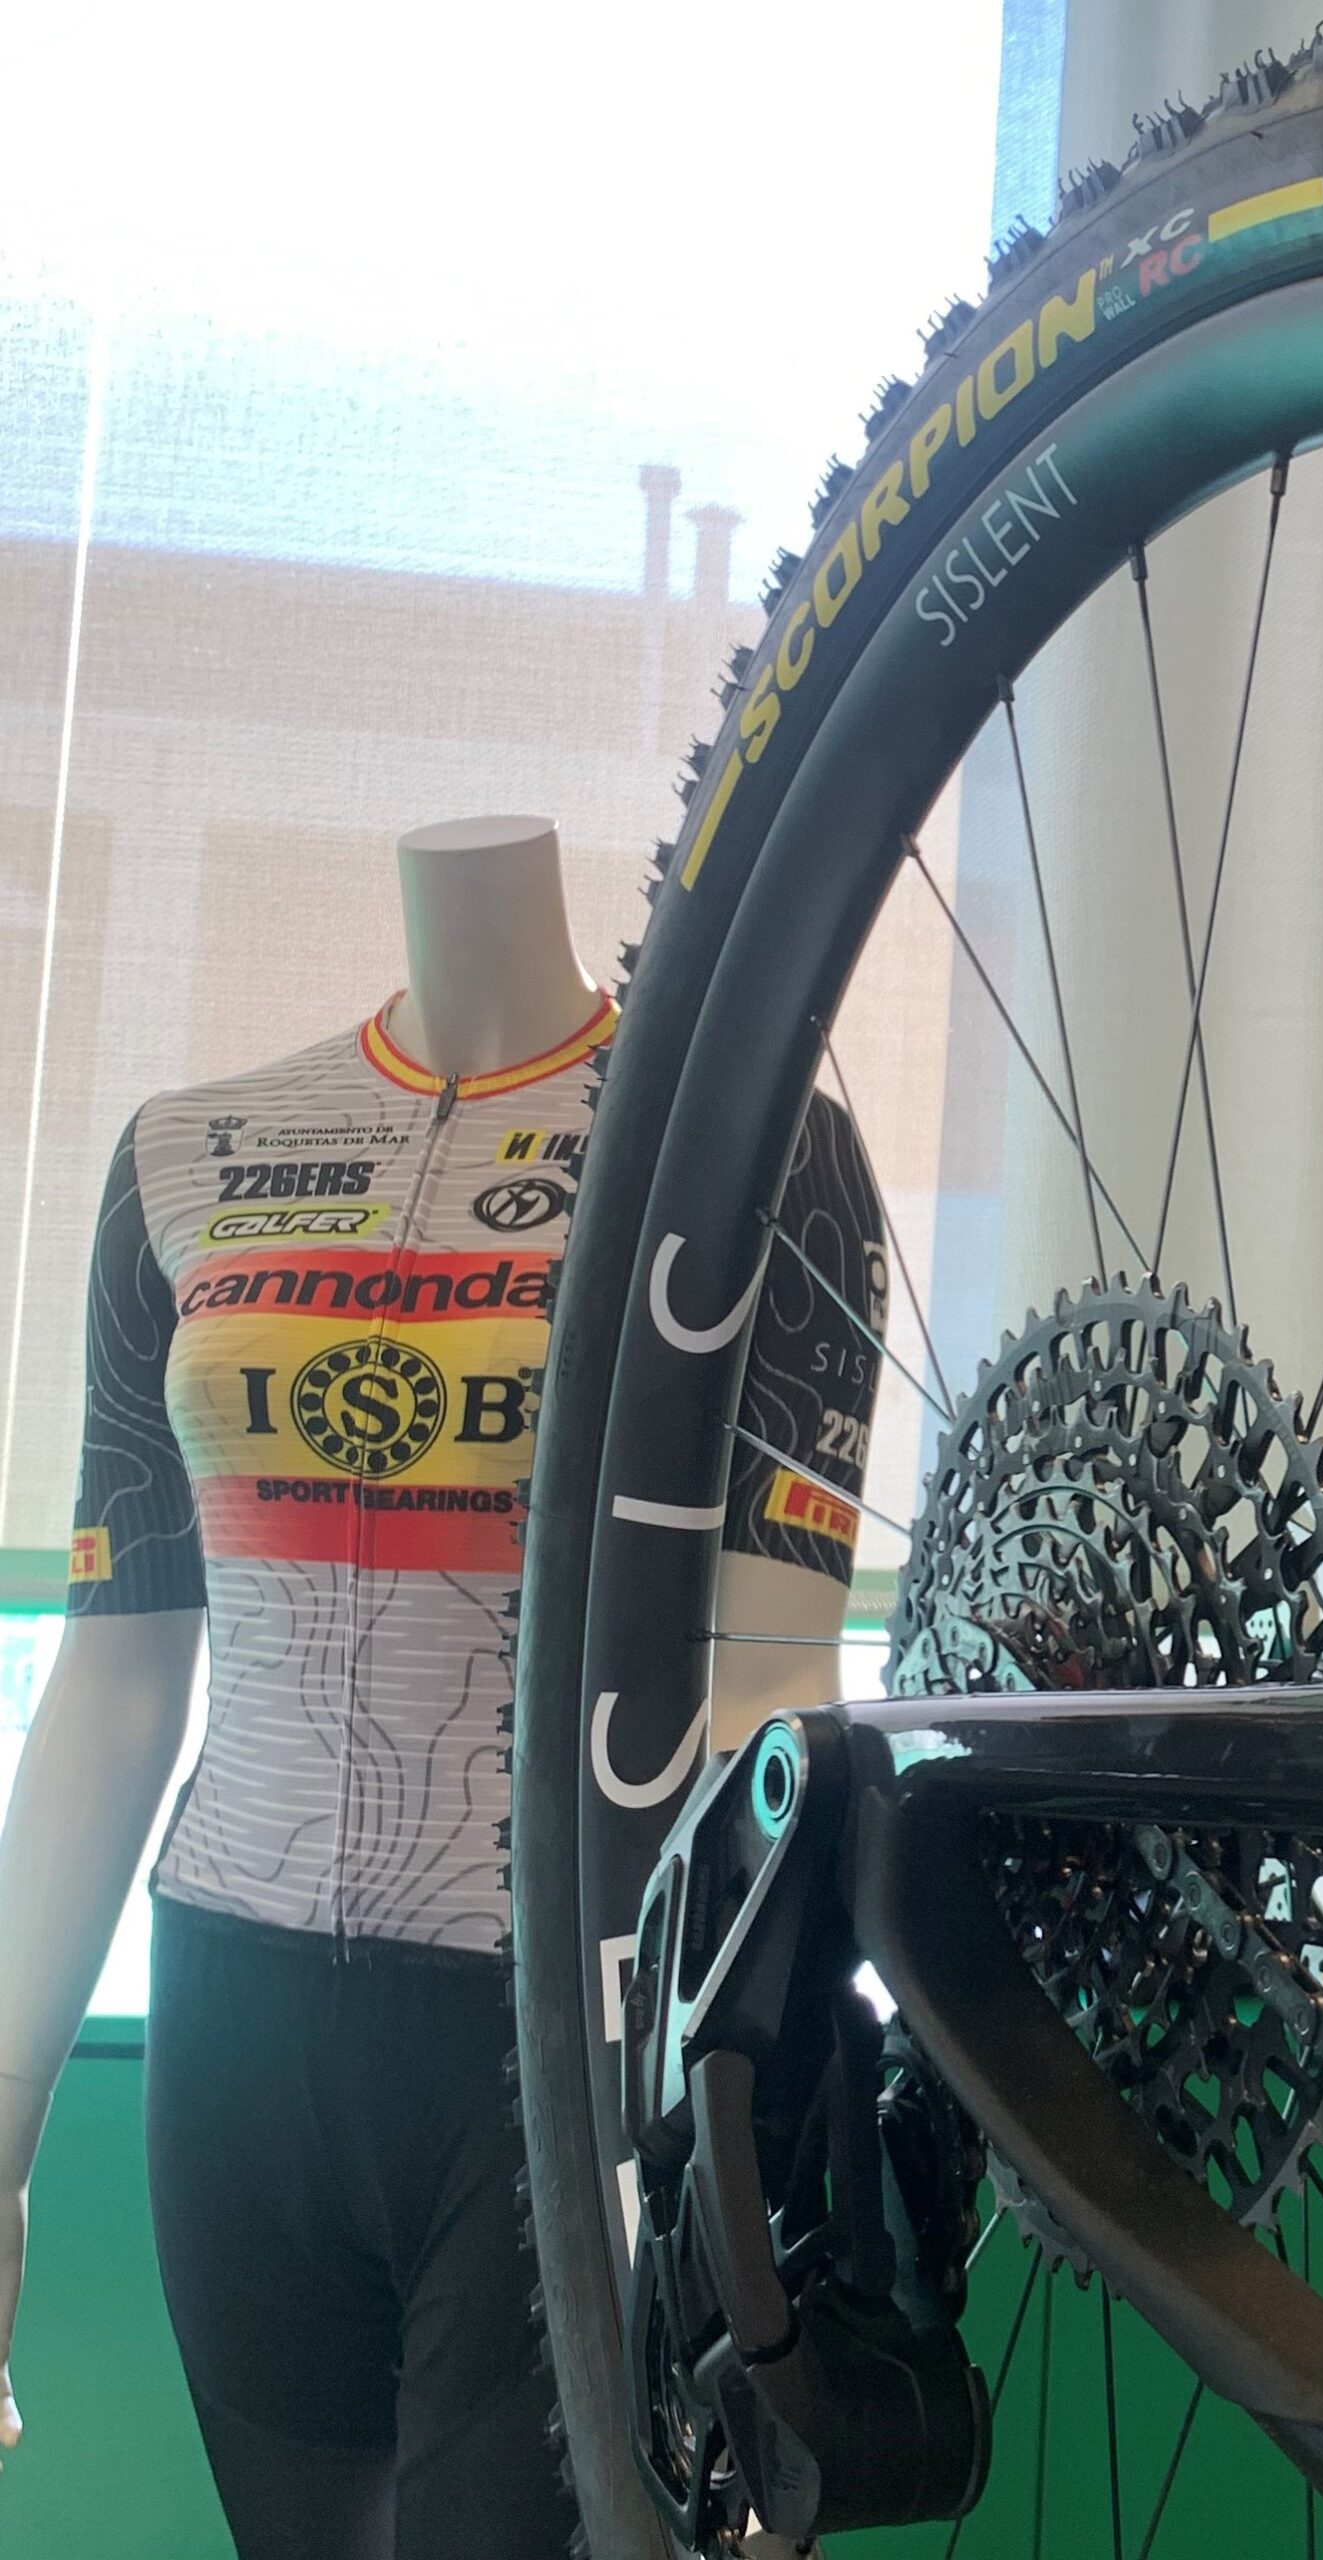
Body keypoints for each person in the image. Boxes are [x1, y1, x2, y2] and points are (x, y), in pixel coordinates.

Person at [0, 815, 883, 2557]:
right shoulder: (184, 1157)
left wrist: (737, 2107)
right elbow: (111, 1689)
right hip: (232, 2038)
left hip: (552, 2029)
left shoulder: (759, 1153)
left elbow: (773, 1686)